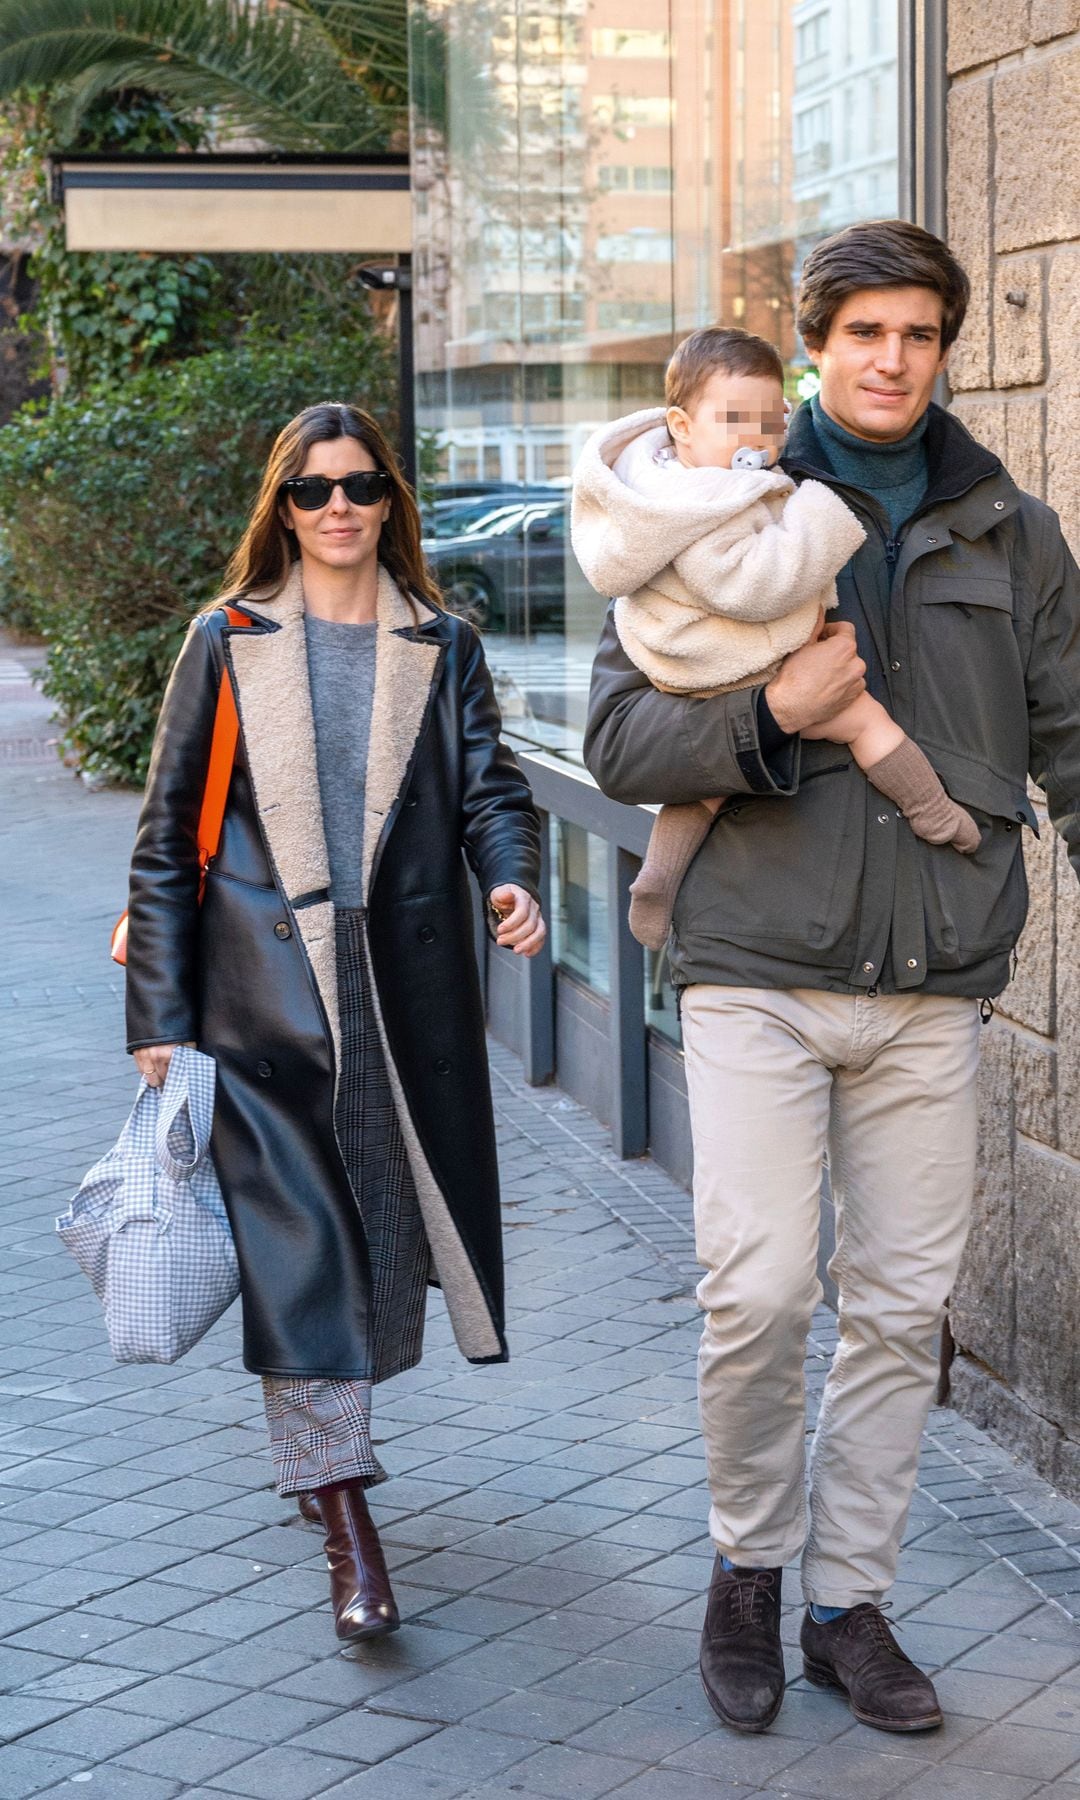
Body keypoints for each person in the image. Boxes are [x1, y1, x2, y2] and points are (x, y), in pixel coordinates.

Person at [584, 219, 1080, 1735]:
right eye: (864, 332)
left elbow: (1074, 736)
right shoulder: (723, 491)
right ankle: (748, 1563)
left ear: (944, 348)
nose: (892, 359)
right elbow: (617, 741)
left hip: (933, 979)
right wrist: (772, 723)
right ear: (815, 344)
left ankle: (847, 1602)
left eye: (919, 334)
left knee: (898, 1309)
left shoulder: (1007, 528)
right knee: (759, 1292)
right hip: (758, 968)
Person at [124, 402, 545, 1644]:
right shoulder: (228, 638)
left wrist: (511, 876)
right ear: (284, 508)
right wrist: (156, 1012)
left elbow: (491, 789)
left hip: (402, 991)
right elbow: (164, 844)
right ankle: (350, 1518)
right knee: (301, 1251)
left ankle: (326, 1459)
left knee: (382, 1228)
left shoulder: (444, 642)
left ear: (390, 502)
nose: (339, 508)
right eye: (313, 492)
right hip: (261, 996)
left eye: (360, 486)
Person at [571, 326, 977, 952]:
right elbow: (750, 586)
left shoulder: (683, 483)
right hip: (720, 658)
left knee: (709, 785)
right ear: (680, 425)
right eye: (736, 420)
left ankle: (656, 881)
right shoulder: (699, 498)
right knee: (861, 717)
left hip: (703, 660)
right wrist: (819, 516)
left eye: (771, 421)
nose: (756, 440)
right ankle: (933, 811)